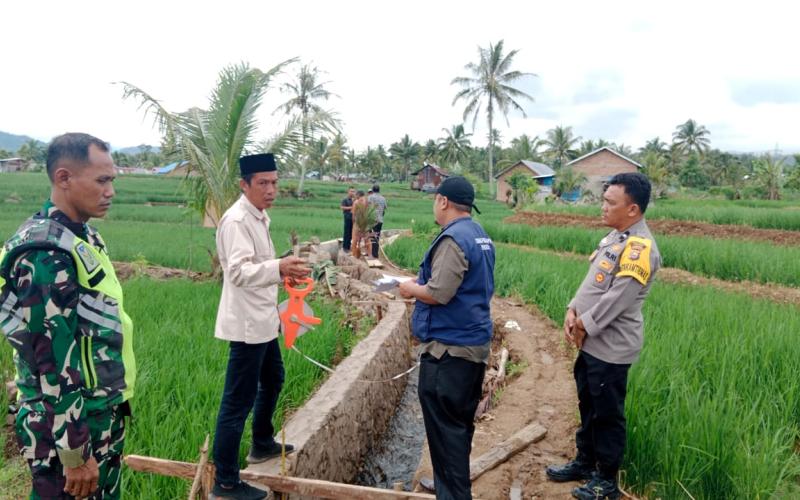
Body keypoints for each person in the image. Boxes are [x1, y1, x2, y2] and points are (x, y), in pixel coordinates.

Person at [0, 132, 136, 499]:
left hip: (98, 412)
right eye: (102, 180)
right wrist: (75, 453)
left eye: (112, 181)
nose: (111, 191)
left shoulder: (82, 237)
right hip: (66, 426)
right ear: (63, 178)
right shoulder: (43, 255)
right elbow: (52, 365)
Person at [545, 173, 661, 500]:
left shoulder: (639, 247)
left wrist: (583, 324)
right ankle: (585, 462)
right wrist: (572, 309)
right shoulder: (614, 238)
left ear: (633, 209)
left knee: (608, 413)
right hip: (593, 342)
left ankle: (607, 480)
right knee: (588, 404)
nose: (603, 207)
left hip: (611, 348)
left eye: (611, 202)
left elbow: (618, 299)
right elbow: (593, 284)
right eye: (604, 200)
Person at [211, 153, 311, 500]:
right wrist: (279, 267)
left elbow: (259, 266)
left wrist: (281, 270)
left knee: (273, 378)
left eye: (275, 182)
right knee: (236, 402)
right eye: (263, 183)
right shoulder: (237, 220)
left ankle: (262, 443)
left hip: (264, 319)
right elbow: (237, 272)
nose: (271, 190)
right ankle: (224, 481)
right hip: (247, 326)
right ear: (244, 184)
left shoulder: (258, 216)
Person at [399, 176, 495, 500]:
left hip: (449, 354)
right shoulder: (478, 234)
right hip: (470, 349)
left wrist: (410, 288)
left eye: (433, 200)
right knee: (456, 430)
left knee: (446, 433)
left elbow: (439, 293)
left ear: (442, 201)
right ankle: (446, 487)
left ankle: (453, 493)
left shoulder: (453, 239)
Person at [367, 184, 387, 258]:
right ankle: (375, 254)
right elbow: (385, 208)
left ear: (372, 190)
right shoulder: (383, 198)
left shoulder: (370, 197)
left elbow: (366, 206)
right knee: (377, 237)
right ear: (379, 190)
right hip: (380, 220)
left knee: (372, 236)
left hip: (372, 220)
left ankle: (372, 254)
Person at [350, 190, 368, 258]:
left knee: (354, 239)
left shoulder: (356, 202)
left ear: (358, 195)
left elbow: (353, 214)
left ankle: (354, 254)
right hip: (365, 223)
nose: (355, 196)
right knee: (364, 239)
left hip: (357, 223)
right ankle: (367, 254)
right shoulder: (367, 202)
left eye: (356, 195)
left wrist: (353, 223)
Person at [340, 186, 355, 252]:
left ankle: (349, 247)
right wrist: (351, 208)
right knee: (347, 233)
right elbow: (342, 207)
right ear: (348, 192)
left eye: (353, 191)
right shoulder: (345, 199)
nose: (352, 193)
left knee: (352, 233)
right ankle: (345, 247)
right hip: (347, 217)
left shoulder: (354, 200)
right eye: (351, 191)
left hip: (353, 218)